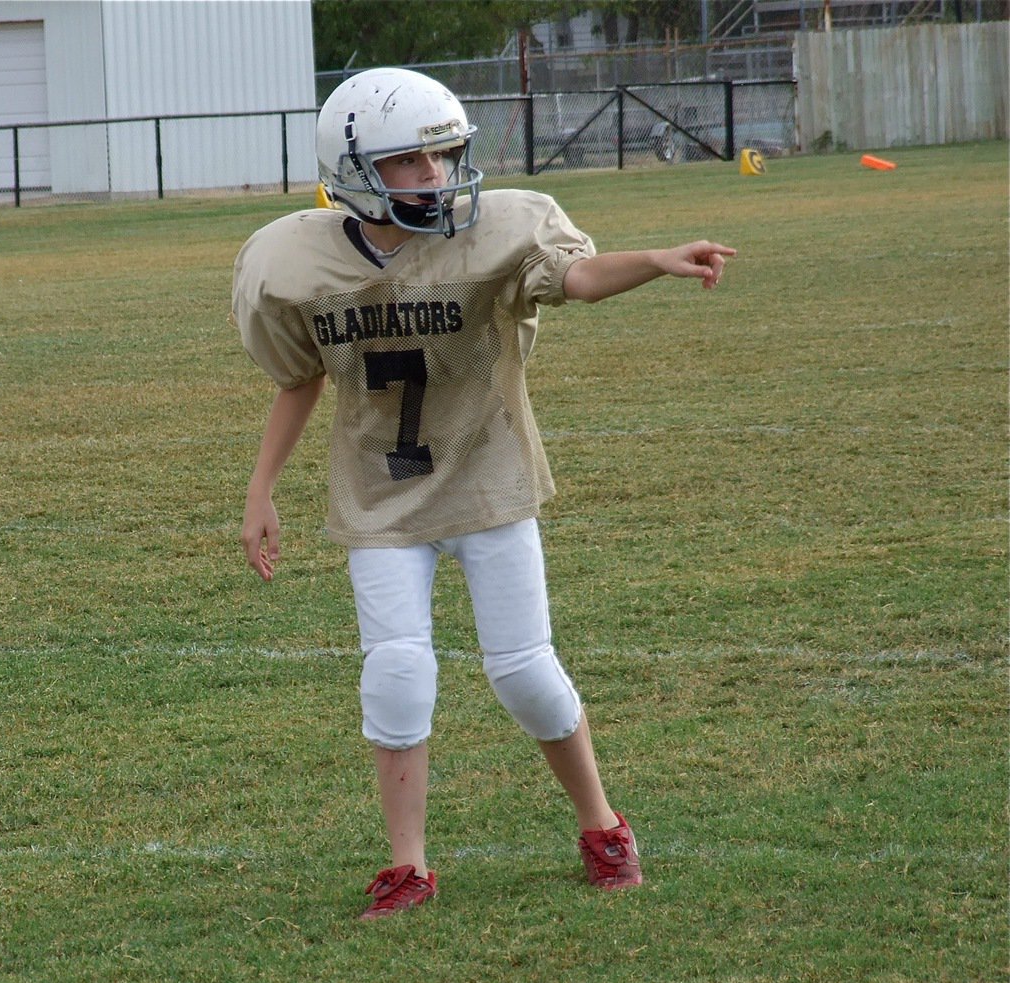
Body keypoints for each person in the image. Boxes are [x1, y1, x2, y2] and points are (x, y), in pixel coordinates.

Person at [232, 67, 735, 920]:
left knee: (525, 674)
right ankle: (408, 867)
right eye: (413, 163)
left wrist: (652, 260)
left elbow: (572, 278)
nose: (438, 177)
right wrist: (261, 489)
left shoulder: (501, 228)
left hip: (490, 482)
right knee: (396, 676)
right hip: (382, 499)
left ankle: (604, 826)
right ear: (353, 168)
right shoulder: (293, 260)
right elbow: (300, 379)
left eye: (446, 156)